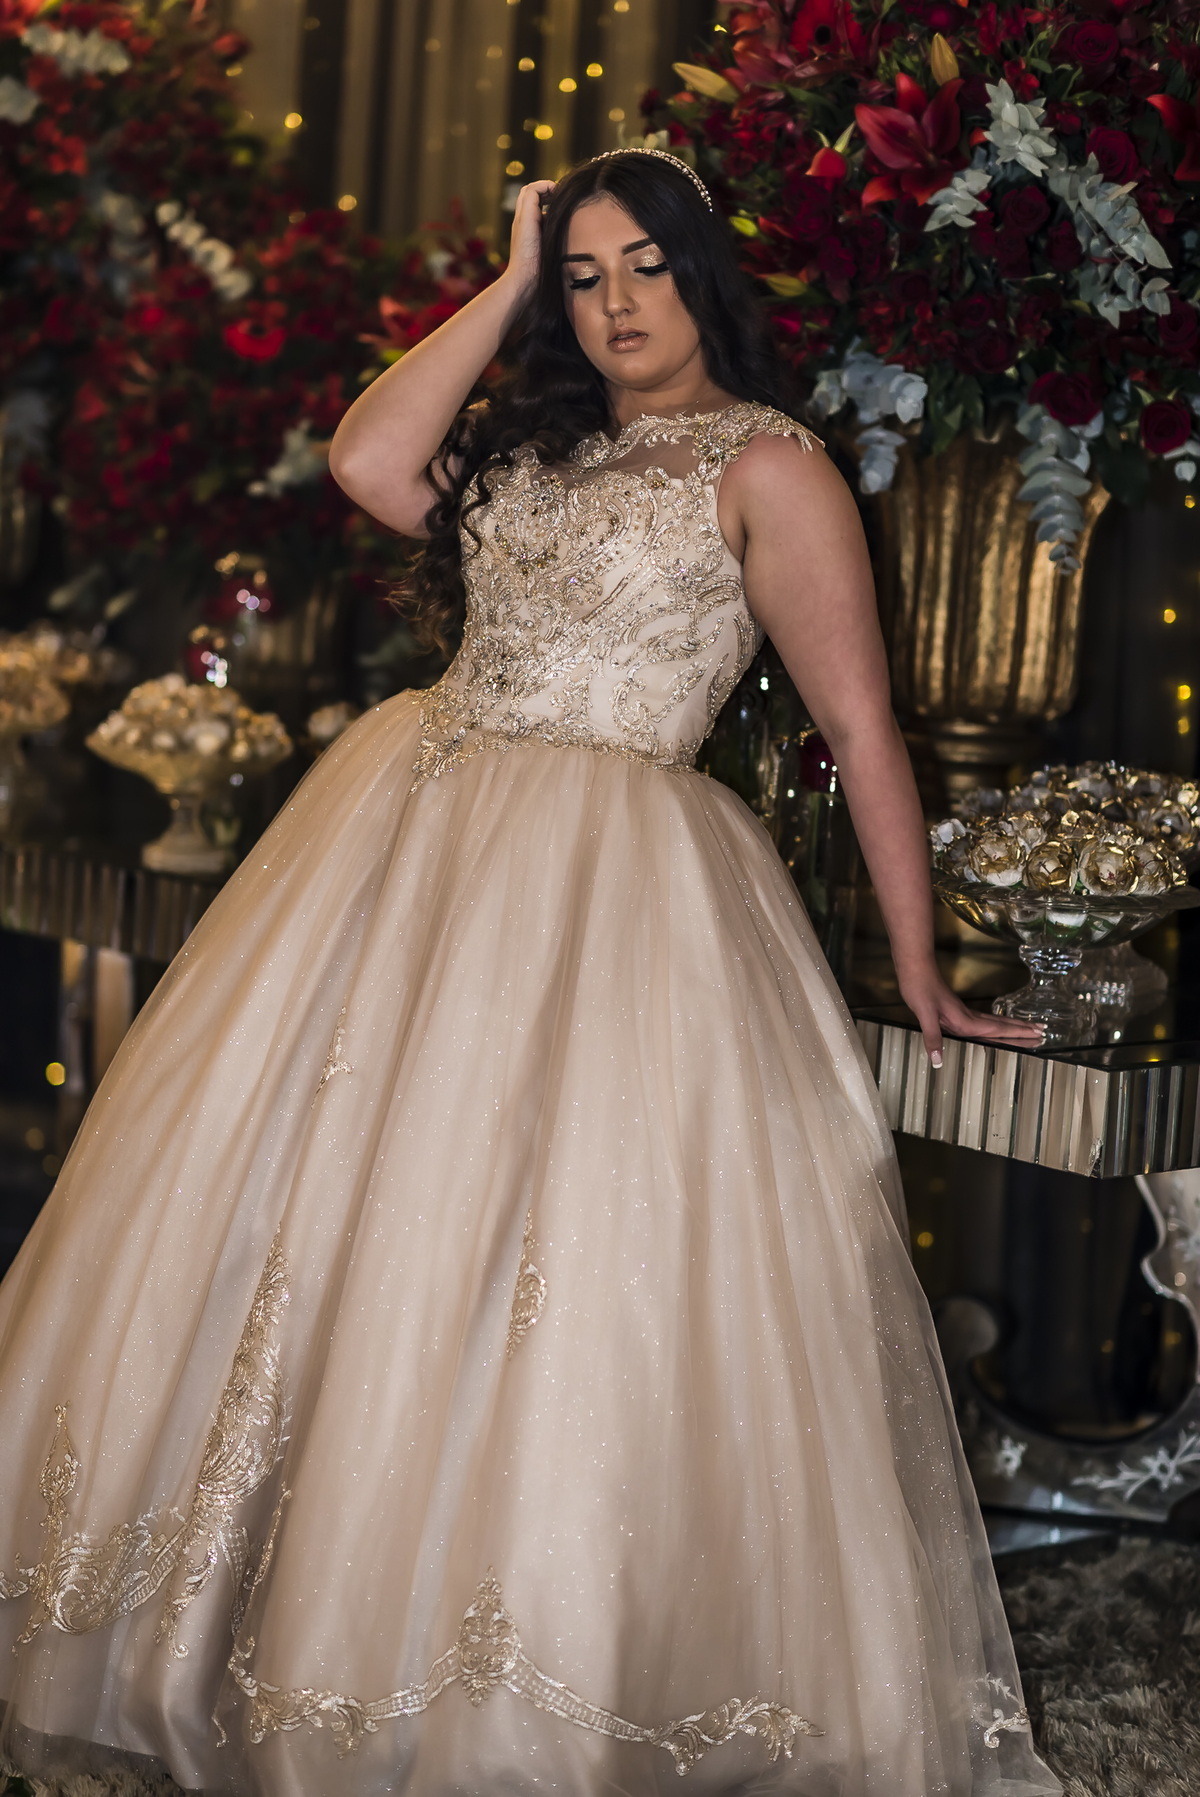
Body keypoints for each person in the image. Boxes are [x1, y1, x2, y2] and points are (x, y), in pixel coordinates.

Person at [0, 149, 1055, 1797]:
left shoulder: (770, 466)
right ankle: (239, 1615)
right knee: (330, 1219)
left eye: (646, 265)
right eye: (586, 276)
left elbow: (861, 727)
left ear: (703, 275)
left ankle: (504, 1680)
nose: (617, 303)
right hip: (407, 846)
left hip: (612, 887)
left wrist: (917, 961)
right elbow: (367, 456)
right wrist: (506, 282)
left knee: (543, 1251)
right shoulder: (536, 442)